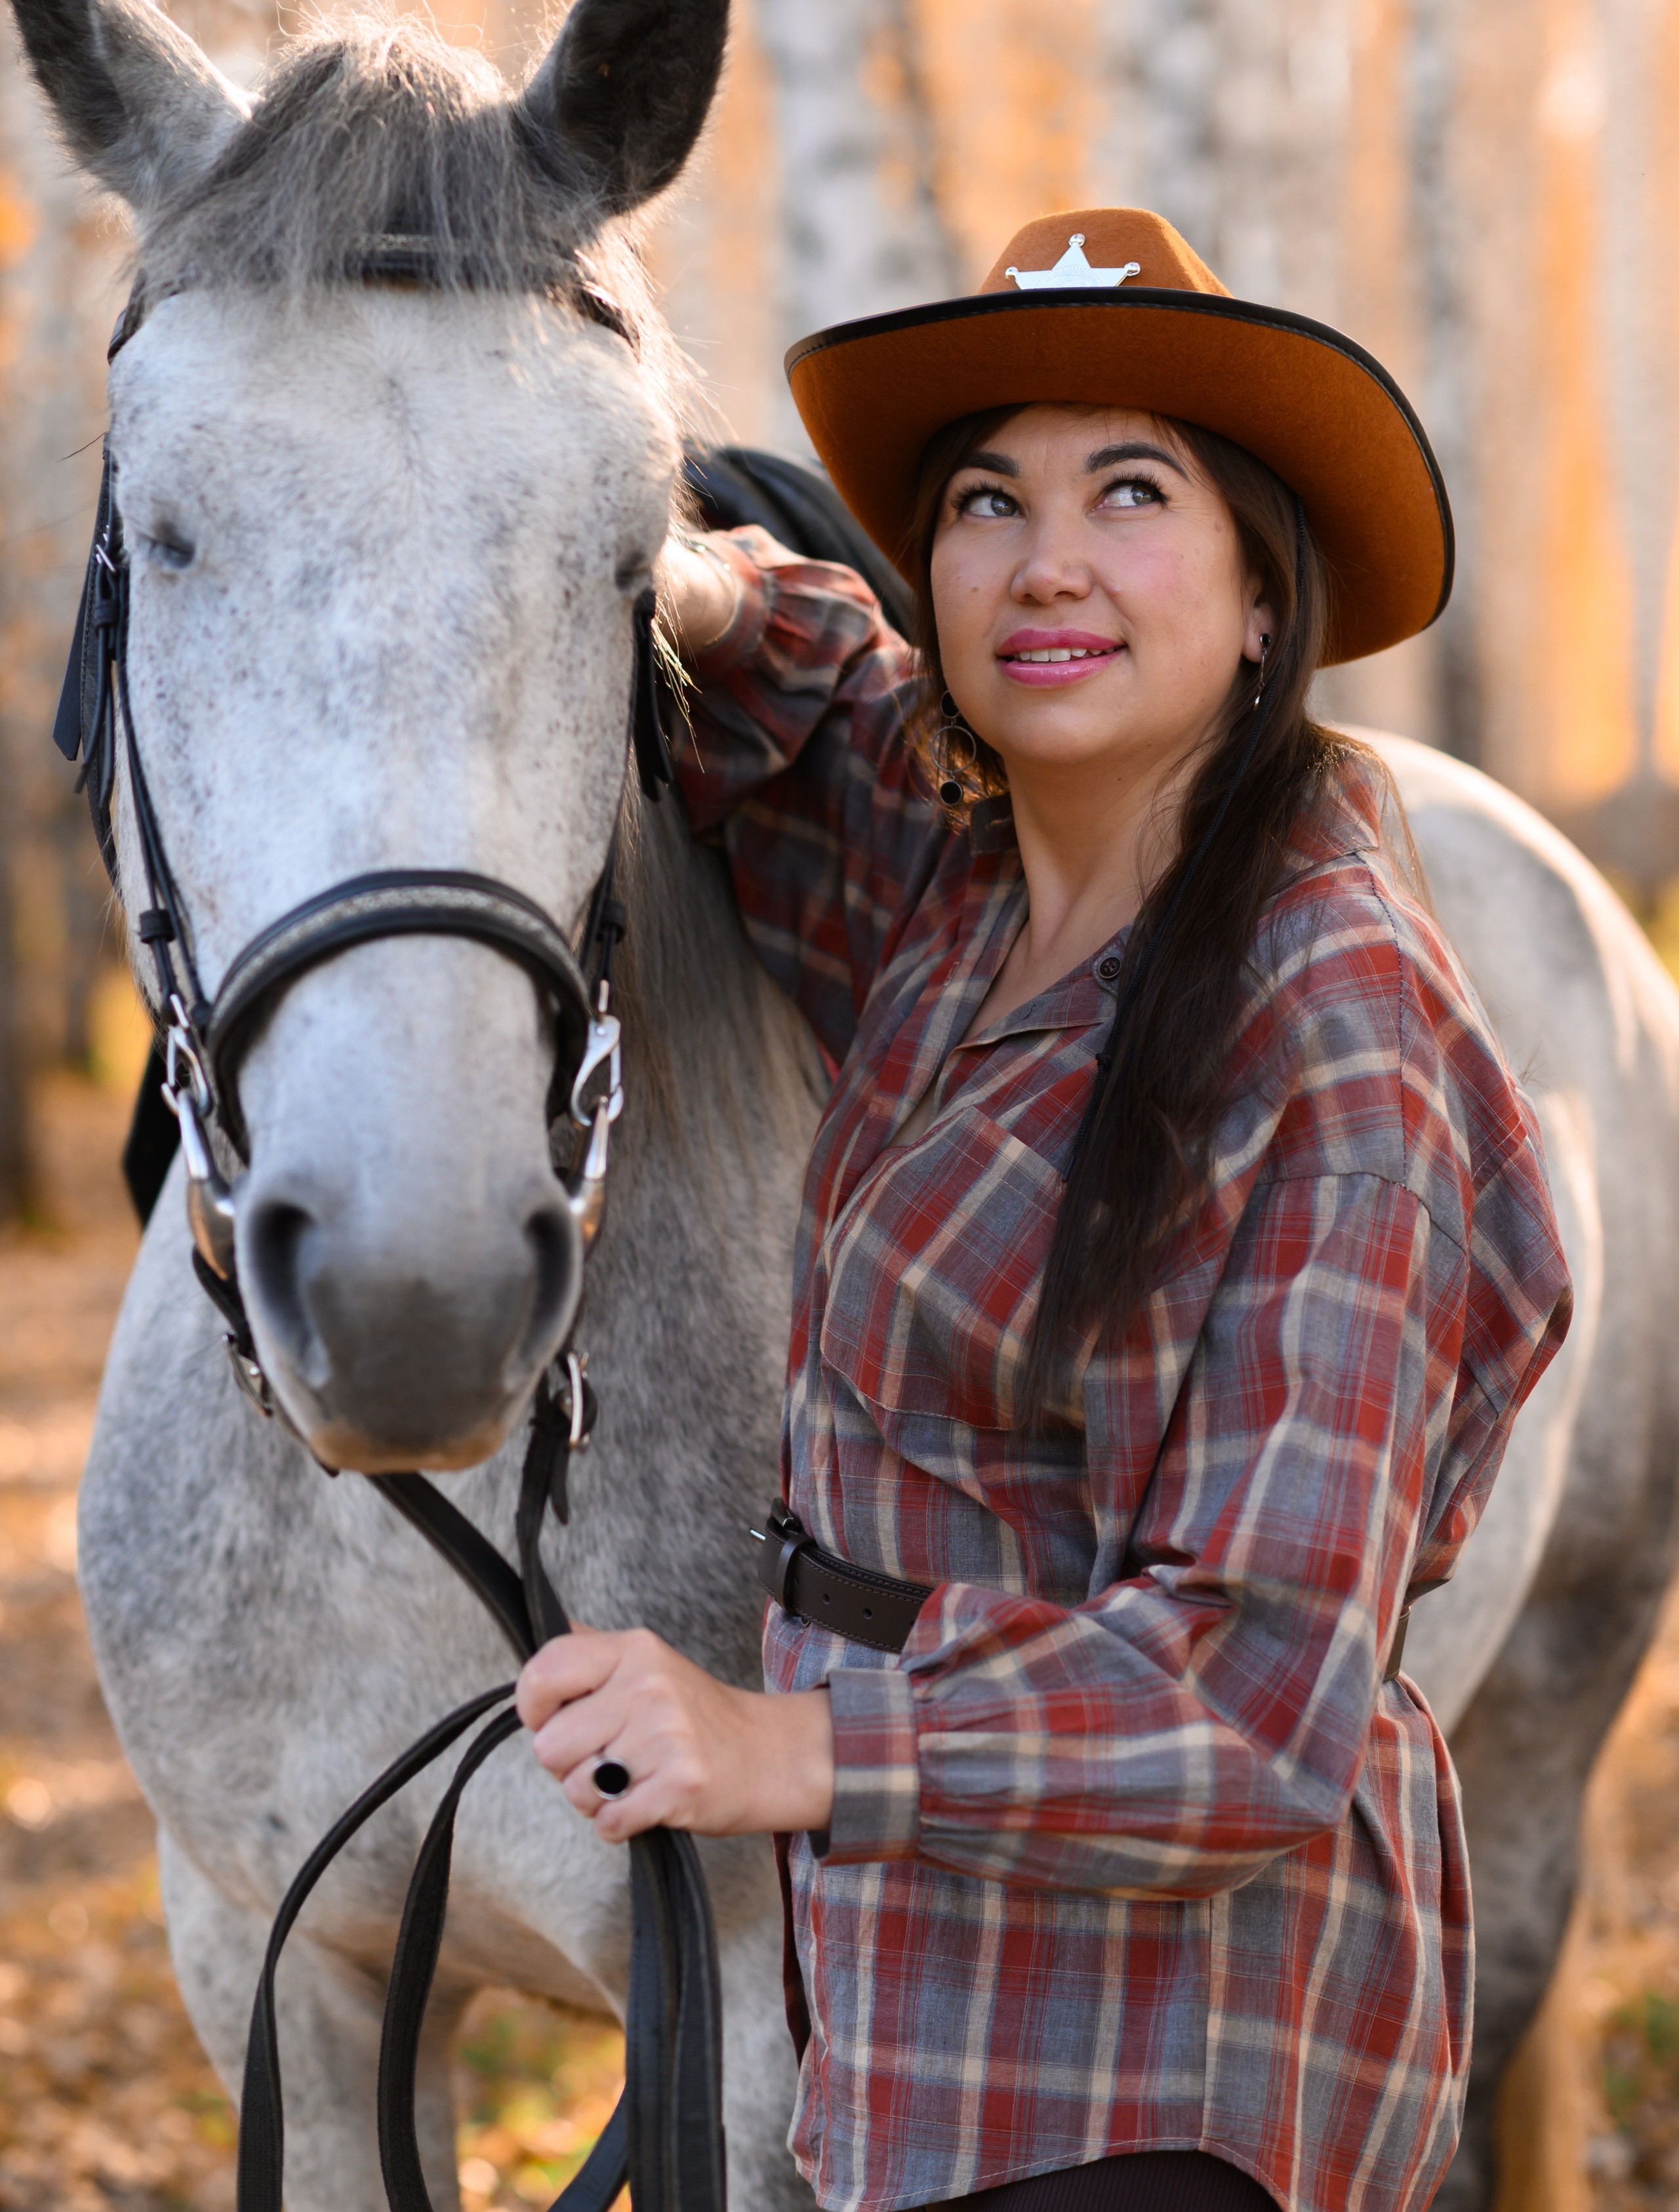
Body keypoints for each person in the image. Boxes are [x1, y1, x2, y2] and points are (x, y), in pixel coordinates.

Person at [517, 208, 1573, 2212]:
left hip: (1162, 2069)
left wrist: (779, 1749)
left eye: (1133, 490)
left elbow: (1253, 1699)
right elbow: (823, 711)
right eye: (990, 497)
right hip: (915, 2001)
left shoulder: (1334, 1032)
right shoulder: (969, 900)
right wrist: (684, 575)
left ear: (1267, 595)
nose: (1047, 559)